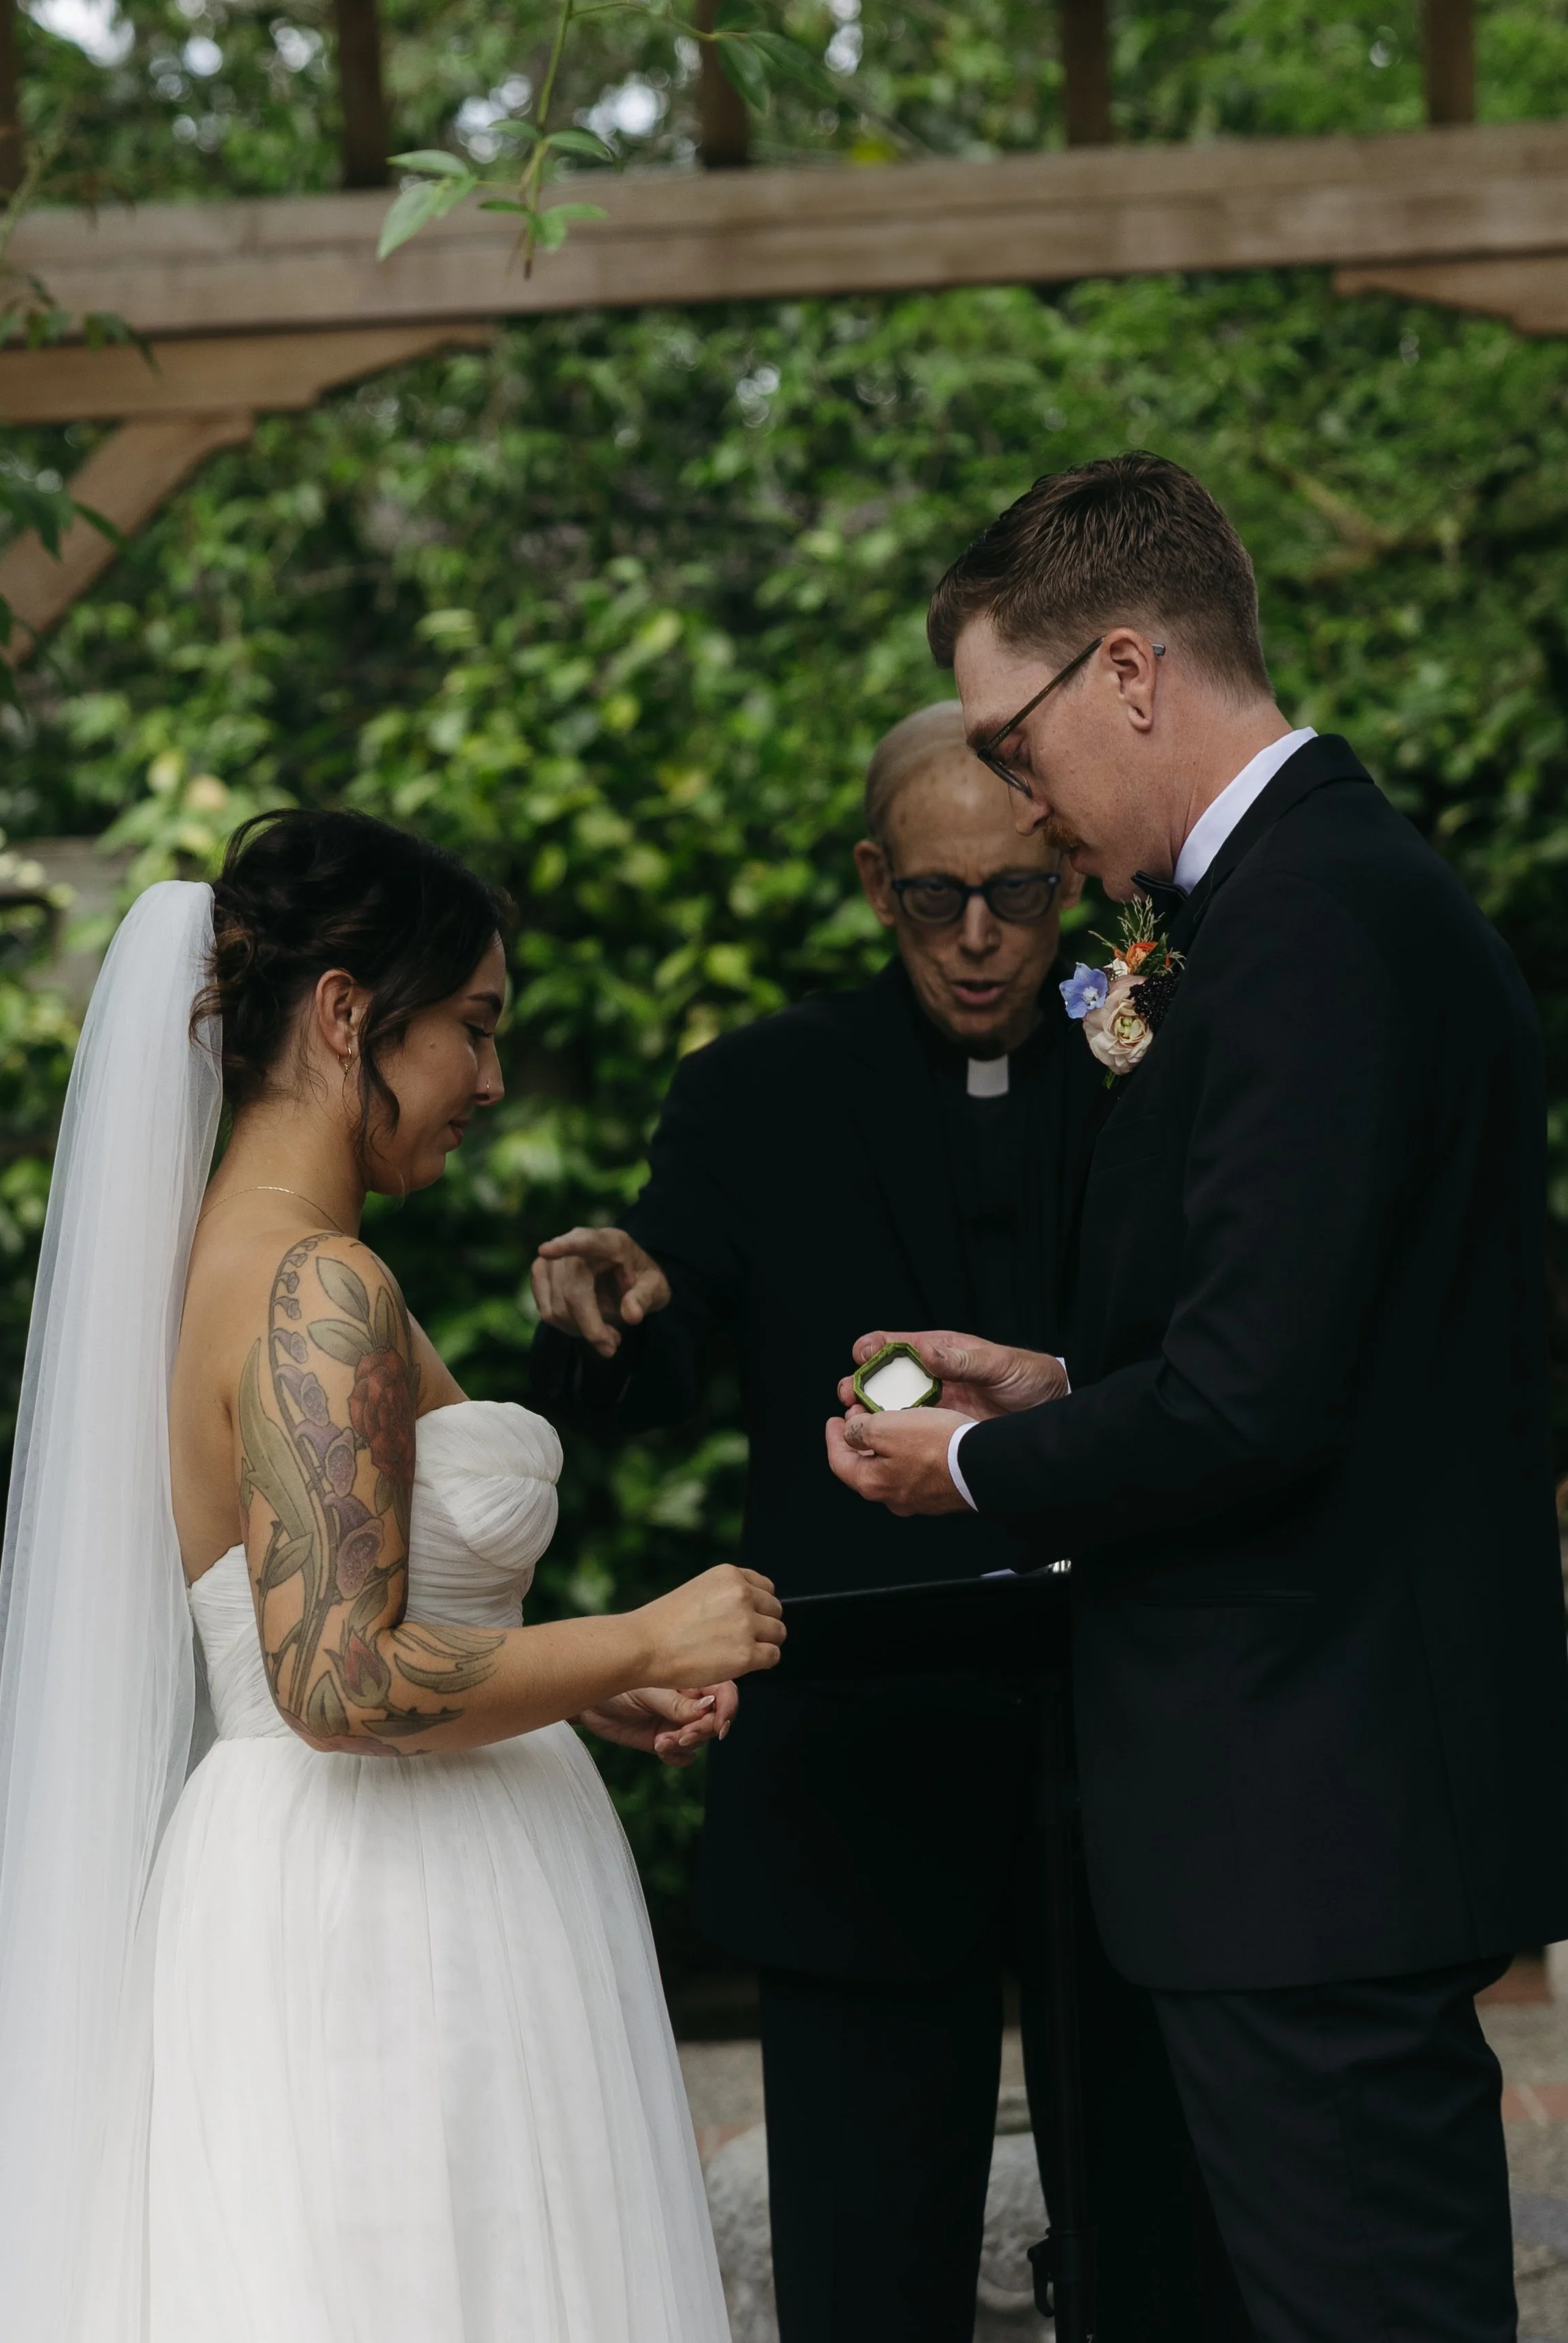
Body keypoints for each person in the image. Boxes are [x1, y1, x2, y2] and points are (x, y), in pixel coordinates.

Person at [828, 453, 1568, 2343]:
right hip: (1303, 1806)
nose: (1015, 793)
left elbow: (1254, 1402)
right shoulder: (1296, 901)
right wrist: (1071, 1374)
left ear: (1131, 672)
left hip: (1315, 1810)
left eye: (1015, 737)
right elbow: (1309, 1332)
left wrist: (979, 1462)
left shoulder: (1314, 925)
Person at [0, 810, 787, 2343]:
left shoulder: (244, 1253)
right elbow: (333, 1678)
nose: (492, 1078)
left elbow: (352, 1607)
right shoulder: (318, 1286)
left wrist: (589, 1689)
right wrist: (640, 1629)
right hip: (383, 1920)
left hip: (402, 1875)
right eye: (471, 1025)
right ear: (344, 1015)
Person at [531, 710, 1248, 2343]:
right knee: (861, 2275)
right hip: (858, 1764)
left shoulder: (1164, 1053)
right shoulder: (754, 1093)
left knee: (1165, 2262)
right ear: (873, 885)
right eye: (937, 900)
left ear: (1070, 878)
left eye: (1018, 892)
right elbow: (656, 1357)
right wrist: (609, 1312)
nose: (983, 938)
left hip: (1129, 1742)